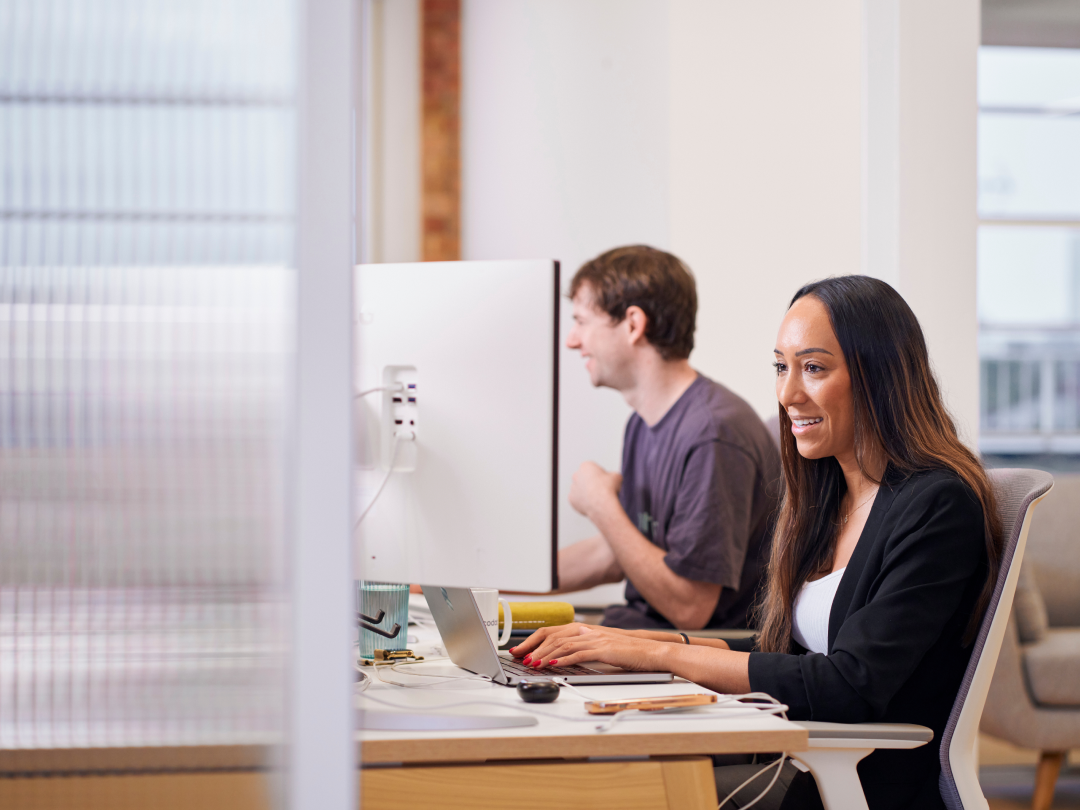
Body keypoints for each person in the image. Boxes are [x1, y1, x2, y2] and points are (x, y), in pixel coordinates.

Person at [513, 275, 1002, 810]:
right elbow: (785, 655)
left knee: (592, 793)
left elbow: (847, 683)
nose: (787, 393)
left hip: (857, 784)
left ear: (880, 375)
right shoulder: (829, 496)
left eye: (813, 367)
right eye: (780, 367)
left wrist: (652, 651)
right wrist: (635, 654)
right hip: (799, 763)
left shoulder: (937, 504)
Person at [558, 245, 781, 630]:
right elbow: (620, 553)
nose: (573, 340)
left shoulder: (714, 434)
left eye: (581, 321)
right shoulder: (643, 423)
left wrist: (600, 505)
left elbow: (690, 609)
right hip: (639, 637)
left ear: (632, 324)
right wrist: (479, 582)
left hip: (690, 657)